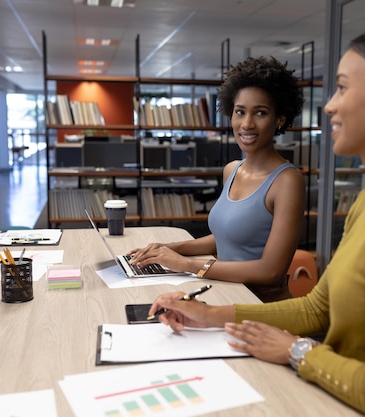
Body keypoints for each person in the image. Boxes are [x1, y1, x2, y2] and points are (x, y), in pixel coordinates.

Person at [147, 21, 365, 417]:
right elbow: (316, 309)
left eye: (342, 87)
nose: (331, 105)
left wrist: (295, 350)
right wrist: (209, 316)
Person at [129, 56, 306, 302]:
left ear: (280, 119)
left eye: (261, 113)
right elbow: (228, 236)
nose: (247, 124)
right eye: (240, 112)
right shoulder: (231, 170)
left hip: (261, 305)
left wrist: (187, 265)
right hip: (226, 293)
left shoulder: (287, 181)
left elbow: (270, 271)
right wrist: (169, 248)